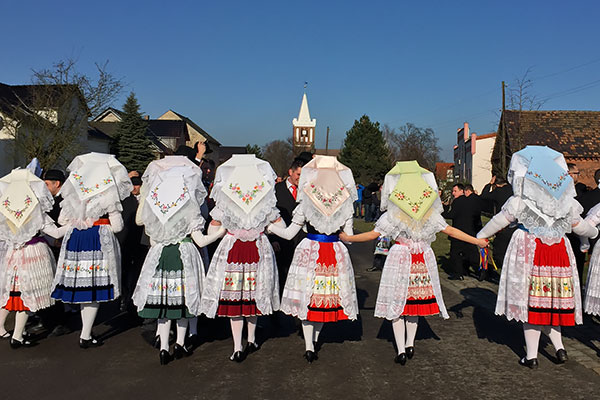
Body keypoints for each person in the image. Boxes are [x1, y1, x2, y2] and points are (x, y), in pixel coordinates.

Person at [340, 161, 488, 364]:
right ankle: (409, 344)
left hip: (400, 257)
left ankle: (401, 349)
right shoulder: (428, 212)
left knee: (397, 304)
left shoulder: (394, 213)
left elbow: (373, 234)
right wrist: (477, 241)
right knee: (414, 305)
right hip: (420, 260)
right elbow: (451, 231)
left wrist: (349, 238)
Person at [477, 146, 598, 369]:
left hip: (530, 250)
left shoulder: (521, 201)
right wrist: (593, 234)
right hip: (558, 254)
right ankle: (559, 347)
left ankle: (531, 356)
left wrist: (480, 236)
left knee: (531, 304)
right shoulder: (564, 201)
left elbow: (499, 221)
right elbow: (581, 226)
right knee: (551, 304)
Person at [268, 155, 359, 363]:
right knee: (324, 299)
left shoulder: (306, 201)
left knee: (308, 299)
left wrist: (270, 227)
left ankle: (309, 344)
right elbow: (350, 239)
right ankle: (314, 340)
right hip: (333, 252)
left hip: (309, 251)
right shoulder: (345, 204)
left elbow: (290, 233)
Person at [132, 155, 217, 365]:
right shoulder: (189, 207)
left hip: (161, 255)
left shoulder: (154, 205)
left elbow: (152, 239)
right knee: (183, 304)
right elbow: (201, 239)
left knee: (163, 305)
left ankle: (163, 348)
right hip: (183, 253)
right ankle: (179, 343)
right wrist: (221, 232)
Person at [200, 154, 280, 362]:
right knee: (251, 297)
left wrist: (222, 230)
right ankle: (251, 340)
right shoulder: (264, 201)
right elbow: (280, 226)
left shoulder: (226, 200)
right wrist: (266, 227)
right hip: (257, 249)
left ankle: (238, 346)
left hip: (233, 249)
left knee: (237, 299)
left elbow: (213, 228)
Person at [50, 152, 132, 348]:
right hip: (98, 240)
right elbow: (118, 226)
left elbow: (62, 220)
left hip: (76, 238)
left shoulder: (73, 190)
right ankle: (85, 334)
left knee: (81, 286)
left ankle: (86, 332)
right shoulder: (107, 192)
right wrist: (100, 224)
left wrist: (80, 220)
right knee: (94, 288)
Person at [0, 169, 66, 347]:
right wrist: (75, 223)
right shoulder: (35, 211)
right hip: (33, 254)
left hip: (12, 255)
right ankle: (18, 336)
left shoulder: (5, 211)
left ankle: (1, 328)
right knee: (28, 295)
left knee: (12, 293)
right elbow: (55, 231)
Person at [271, 158, 306, 294]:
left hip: (301, 240)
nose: (300, 179)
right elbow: (270, 215)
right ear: (290, 172)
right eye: (298, 175)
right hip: (281, 240)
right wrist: (272, 239)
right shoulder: (276, 190)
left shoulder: (307, 191)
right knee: (281, 275)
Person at [116, 175, 146, 313]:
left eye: (137, 185)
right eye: (132, 185)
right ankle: (124, 296)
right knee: (124, 270)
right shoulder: (125, 200)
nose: (134, 188)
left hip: (141, 241)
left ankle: (134, 299)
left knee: (138, 271)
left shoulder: (146, 199)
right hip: (126, 239)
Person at [442, 183, 480, 280]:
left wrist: (444, 209)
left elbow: (452, 215)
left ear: (461, 191)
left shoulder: (457, 201)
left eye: (455, 191)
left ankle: (458, 273)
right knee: (471, 252)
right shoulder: (470, 201)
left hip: (459, 230)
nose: (453, 193)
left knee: (455, 253)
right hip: (470, 230)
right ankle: (480, 271)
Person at [480, 175, 515, 276]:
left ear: (497, 185)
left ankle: (501, 268)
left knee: (499, 249)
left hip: (502, 223)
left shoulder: (498, 192)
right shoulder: (512, 190)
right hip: (514, 224)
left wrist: (489, 185)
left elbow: (484, 196)